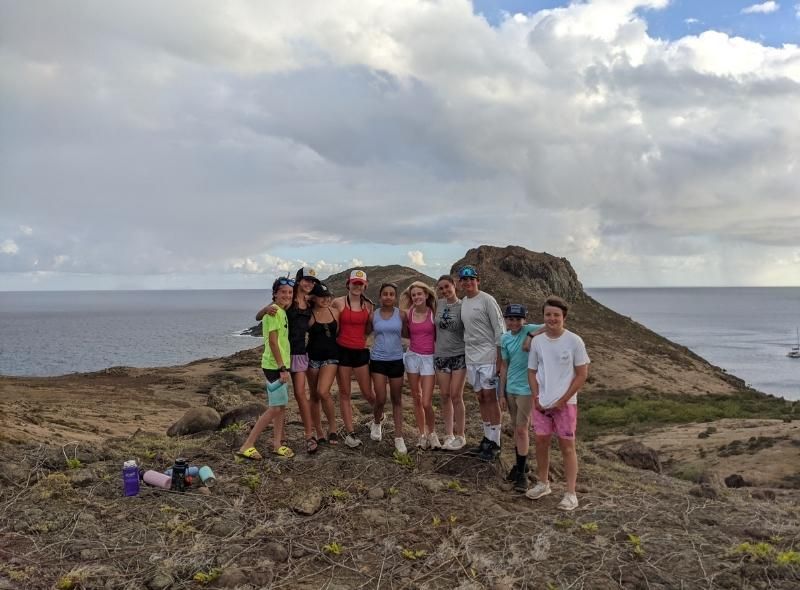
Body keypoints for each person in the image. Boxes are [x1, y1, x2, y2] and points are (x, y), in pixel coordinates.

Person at [525, 296, 590, 511]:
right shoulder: (537, 341)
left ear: (564, 317)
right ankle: (543, 483)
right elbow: (532, 371)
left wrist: (563, 400)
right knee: (541, 444)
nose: (552, 318)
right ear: (543, 317)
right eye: (548, 315)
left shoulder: (574, 341)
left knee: (567, 447)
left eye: (556, 315)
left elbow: (581, 374)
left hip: (566, 404)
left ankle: (570, 493)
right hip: (541, 404)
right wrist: (536, 397)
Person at [256, 267, 319, 454]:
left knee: (300, 394)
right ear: (299, 280)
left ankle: (309, 436)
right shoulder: (286, 300)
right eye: (306, 280)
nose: (308, 284)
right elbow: (259, 316)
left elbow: (326, 305)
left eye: (312, 281)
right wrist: (266, 309)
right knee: (281, 400)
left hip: (299, 354)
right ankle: (280, 438)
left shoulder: (310, 302)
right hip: (282, 356)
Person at [237, 277, 296, 460]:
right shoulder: (274, 313)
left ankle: (277, 444)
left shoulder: (280, 312)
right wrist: (282, 367)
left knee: (281, 406)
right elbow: (272, 341)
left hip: (279, 365)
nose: (287, 295)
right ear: (275, 294)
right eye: (283, 292)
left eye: (289, 292)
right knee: (274, 408)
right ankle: (247, 445)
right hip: (274, 366)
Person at [458, 265, 505, 461]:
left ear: (477, 281)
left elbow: (499, 329)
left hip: (488, 356)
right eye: (465, 280)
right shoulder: (463, 303)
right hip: (472, 357)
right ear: (460, 283)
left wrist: (500, 360)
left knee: (490, 397)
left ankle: (496, 442)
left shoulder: (487, 300)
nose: (468, 282)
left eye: (472, 279)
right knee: (480, 397)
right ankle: (486, 439)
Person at [498, 303, 544, 492]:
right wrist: (501, 392)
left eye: (518, 319)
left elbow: (552, 325)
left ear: (524, 319)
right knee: (517, 429)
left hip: (526, 389)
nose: (514, 322)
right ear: (506, 320)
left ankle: (522, 475)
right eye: (511, 319)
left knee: (522, 429)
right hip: (511, 389)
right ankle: (520, 465)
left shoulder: (529, 329)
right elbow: (504, 366)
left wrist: (531, 337)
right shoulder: (505, 338)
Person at [332, 269, 376, 448]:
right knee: (345, 393)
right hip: (342, 351)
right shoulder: (338, 302)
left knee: (368, 393)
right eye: (354, 283)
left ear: (365, 285)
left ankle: (378, 421)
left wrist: (362, 342)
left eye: (360, 284)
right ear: (348, 284)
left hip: (360, 352)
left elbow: (368, 328)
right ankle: (350, 433)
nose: (357, 286)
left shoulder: (368, 305)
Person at [369, 282, 408, 454]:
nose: (388, 297)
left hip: (396, 360)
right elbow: (365, 333)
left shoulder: (402, 315)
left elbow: (408, 334)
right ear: (380, 296)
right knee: (380, 398)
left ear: (395, 297)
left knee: (397, 399)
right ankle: (377, 423)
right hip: (377, 360)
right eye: (385, 294)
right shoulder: (373, 315)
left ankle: (399, 437)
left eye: (392, 294)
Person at [434, 275, 467, 451]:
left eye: (447, 286)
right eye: (441, 288)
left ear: (454, 286)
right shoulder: (438, 304)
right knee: (445, 395)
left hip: (459, 355)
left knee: (456, 395)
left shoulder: (464, 306)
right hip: (441, 355)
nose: (445, 290)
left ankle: (461, 435)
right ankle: (448, 435)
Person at [306, 281, 340, 445]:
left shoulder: (335, 312)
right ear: (314, 298)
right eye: (321, 297)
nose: (326, 299)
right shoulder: (309, 315)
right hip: (312, 359)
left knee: (323, 392)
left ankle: (332, 429)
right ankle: (319, 431)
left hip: (331, 358)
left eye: (328, 296)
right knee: (314, 396)